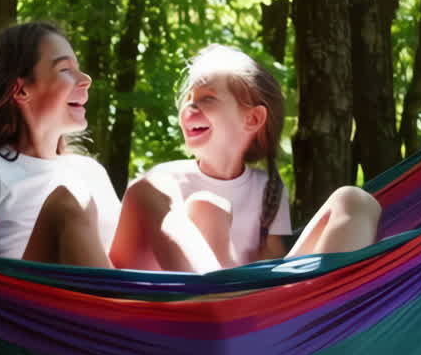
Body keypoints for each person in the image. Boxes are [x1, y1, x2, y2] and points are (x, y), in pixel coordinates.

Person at [111, 45, 382, 272]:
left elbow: (270, 264)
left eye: (207, 99)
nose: (189, 108)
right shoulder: (163, 184)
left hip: (257, 301)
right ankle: (233, 302)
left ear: (252, 119)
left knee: (354, 200)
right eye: (189, 99)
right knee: (206, 207)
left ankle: (327, 318)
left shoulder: (268, 188)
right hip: (194, 304)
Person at [0, 22, 118, 266]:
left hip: (111, 299)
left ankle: (170, 302)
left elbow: (121, 263)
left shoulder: (90, 171)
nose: (86, 79)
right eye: (65, 69)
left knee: (150, 192)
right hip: (28, 302)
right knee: (65, 204)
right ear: (21, 91)